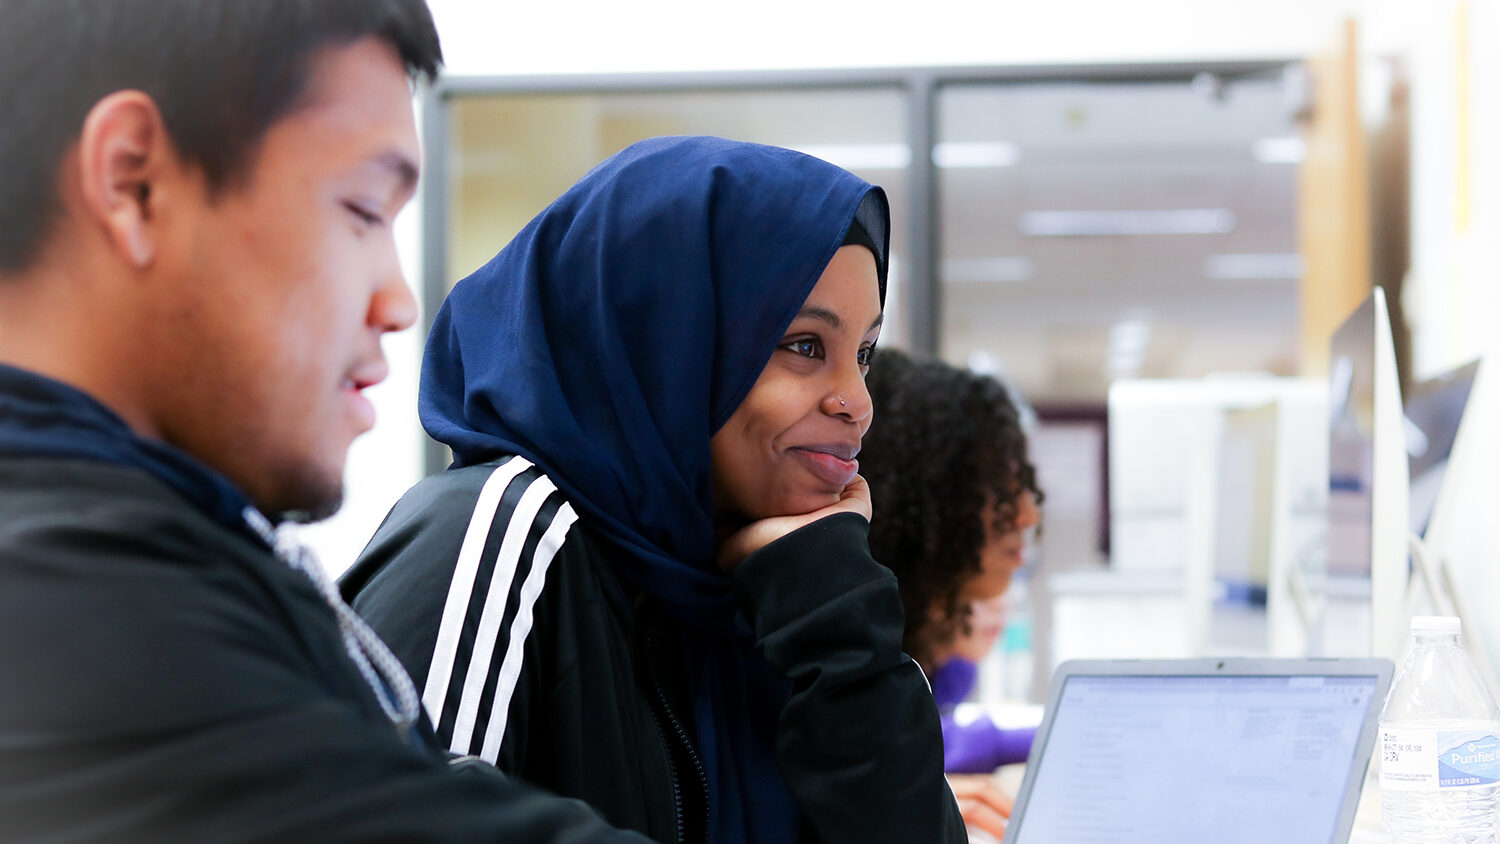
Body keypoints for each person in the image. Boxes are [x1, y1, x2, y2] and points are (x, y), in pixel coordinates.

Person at [0, 2, 675, 841]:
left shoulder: (185, 546)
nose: (398, 302)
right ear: (134, 180)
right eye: (361, 210)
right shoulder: (69, 604)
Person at [342, 135, 965, 844]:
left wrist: (831, 608)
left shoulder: (793, 588)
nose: (857, 400)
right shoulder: (499, 532)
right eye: (803, 346)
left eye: (863, 354)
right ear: (667, 343)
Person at [858, 347, 1045, 841]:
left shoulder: (928, 640)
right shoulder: (861, 647)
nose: (1028, 515)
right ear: (930, 495)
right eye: (1002, 491)